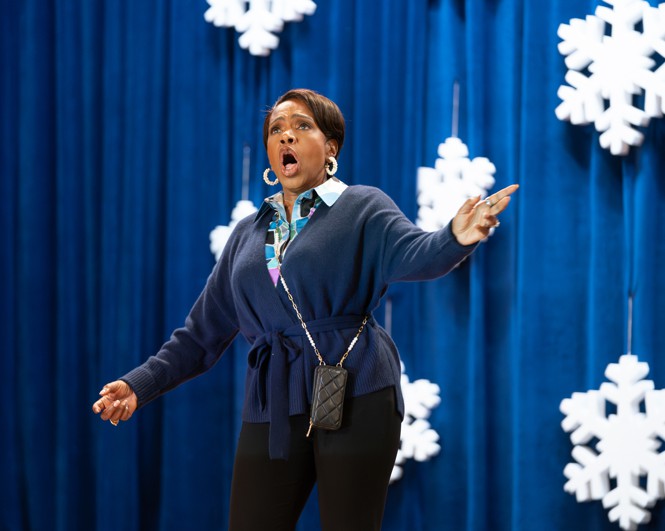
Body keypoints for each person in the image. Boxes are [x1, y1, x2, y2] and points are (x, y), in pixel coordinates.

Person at [92, 88, 518, 530]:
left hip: (357, 389)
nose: (286, 137)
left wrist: (455, 236)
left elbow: (418, 253)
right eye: (276, 130)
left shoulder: (362, 206)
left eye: (301, 126)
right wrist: (138, 384)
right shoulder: (247, 233)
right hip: (272, 402)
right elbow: (200, 336)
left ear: (330, 146)